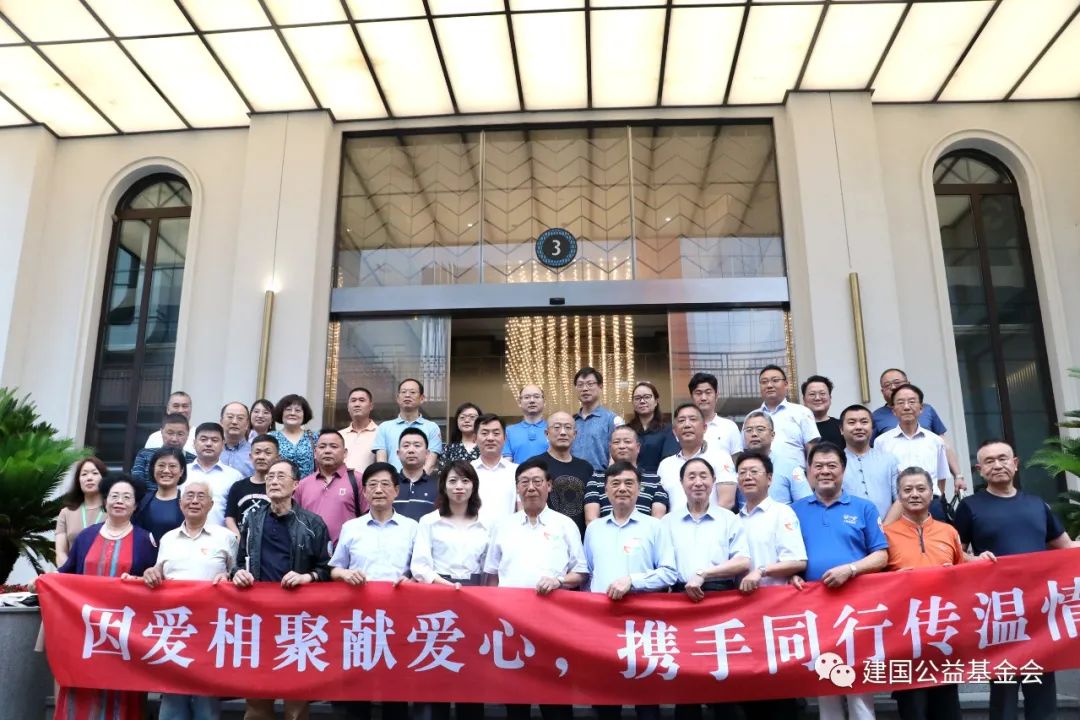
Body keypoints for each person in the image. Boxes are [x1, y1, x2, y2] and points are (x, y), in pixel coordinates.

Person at [954, 439, 1078, 720]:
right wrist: (975, 559)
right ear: (980, 470)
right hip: (1000, 613)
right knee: (1004, 690)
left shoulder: (1037, 504)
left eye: (1003, 458)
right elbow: (955, 553)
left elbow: (1067, 549)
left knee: (1042, 687)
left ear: (1016, 463)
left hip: (1039, 611)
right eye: (989, 461)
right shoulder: (970, 507)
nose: (997, 465)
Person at [885, 467, 992, 720]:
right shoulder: (885, 535)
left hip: (943, 630)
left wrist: (980, 560)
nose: (914, 494)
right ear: (899, 496)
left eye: (920, 489)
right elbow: (875, 579)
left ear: (931, 492)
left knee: (947, 705)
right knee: (913, 707)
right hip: (905, 633)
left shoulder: (948, 531)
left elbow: (961, 568)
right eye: (907, 490)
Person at [484, 458, 587, 720]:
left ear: (549, 486)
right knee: (516, 701)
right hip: (512, 625)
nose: (531, 487)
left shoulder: (565, 524)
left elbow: (581, 573)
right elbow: (492, 575)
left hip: (554, 624)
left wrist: (559, 580)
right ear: (517, 487)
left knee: (555, 700)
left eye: (537, 481)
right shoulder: (503, 526)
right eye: (524, 482)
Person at [792, 442, 888, 720]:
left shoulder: (864, 508)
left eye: (832, 466)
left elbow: (881, 555)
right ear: (809, 472)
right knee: (825, 682)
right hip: (814, 610)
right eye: (818, 466)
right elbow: (787, 555)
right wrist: (792, 574)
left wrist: (851, 569)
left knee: (857, 682)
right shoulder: (794, 511)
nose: (825, 471)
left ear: (843, 471)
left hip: (855, 609)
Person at [232, 458, 331, 720]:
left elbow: (327, 569)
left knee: (295, 702)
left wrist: (307, 577)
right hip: (258, 618)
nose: (273, 481)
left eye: (280, 476)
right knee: (256, 698)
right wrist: (238, 573)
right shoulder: (252, 520)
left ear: (296, 484)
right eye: (270, 477)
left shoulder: (313, 523)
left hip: (297, 621)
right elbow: (239, 562)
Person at [52, 474, 158, 720]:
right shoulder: (86, 536)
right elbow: (67, 573)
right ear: (105, 501)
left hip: (126, 633)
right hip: (85, 629)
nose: (120, 501)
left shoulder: (145, 540)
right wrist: (43, 582)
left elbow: (153, 581)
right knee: (82, 685)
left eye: (127, 497)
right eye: (114, 496)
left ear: (135, 505)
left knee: (121, 688)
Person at [585, 461, 676, 720]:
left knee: (646, 699)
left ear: (639, 489)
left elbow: (669, 573)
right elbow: (589, 573)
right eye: (615, 483)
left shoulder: (655, 526)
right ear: (606, 490)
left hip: (642, 624)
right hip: (603, 624)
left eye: (629, 483)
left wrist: (633, 581)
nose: (622, 488)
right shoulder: (594, 529)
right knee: (606, 699)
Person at [142, 478, 237, 720]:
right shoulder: (168, 539)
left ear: (211, 504)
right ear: (180, 503)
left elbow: (237, 575)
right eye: (189, 496)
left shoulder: (226, 537)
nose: (194, 501)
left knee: (206, 704)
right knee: (172, 702)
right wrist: (151, 573)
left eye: (201, 496)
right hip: (175, 630)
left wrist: (228, 578)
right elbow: (158, 574)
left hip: (210, 630)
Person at [330, 461, 417, 720]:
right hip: (359, 620)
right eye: (372, 485)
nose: (379, 490)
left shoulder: (412, 527)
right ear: (364, 492)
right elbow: (333, 568)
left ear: (396, 491)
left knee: (395, 692)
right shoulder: (351, 527)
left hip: (398, 619)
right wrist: (345, 574)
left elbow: (420, 570)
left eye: (385, 484)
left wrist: (411, 581)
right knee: (358, 692)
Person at [733, 450, 807, 720]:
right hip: (742, 614)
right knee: (748, 689)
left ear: (770, 478)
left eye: (754, 472)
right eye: (742, 473)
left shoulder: (782, 513)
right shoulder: (733, 519)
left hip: (776, 612)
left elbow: (797, 560)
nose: (748, 477)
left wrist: (761, 571)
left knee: (780, 688)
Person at [663, 458, 750, 600]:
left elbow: (743, 561)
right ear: (681, 482)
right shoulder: (667, 522)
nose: (698, 483)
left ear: (713, 480)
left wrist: (704, 574)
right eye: (691, 477)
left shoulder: (729, 519)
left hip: (721, 596)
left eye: (703, 476)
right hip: (680, 597)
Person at [872, 368, 964, 484]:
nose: (893, 387)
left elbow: (944, 444)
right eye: (887, 385)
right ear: (882, 391)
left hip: (929, 487)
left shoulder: (927, 410)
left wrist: (958, 475)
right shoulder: (876, 417)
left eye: (897, 383)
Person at [656, 403, 737, 512]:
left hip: (713, 522)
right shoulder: (665, 465)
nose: (687, 425)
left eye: (693, 419)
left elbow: (727, 501)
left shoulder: (721, 457)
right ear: (674, 432)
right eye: (681, 421)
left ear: (704, 428)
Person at [293, 429, 366, 546]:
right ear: (315, 453)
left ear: (345, 453)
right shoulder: (303, 485)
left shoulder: (358, 480)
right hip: (310, 551)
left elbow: (368, 518)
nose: (327, 451)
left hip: (348, 551)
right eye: (322, 447)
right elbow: (295, 521)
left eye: (334, 446)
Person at [527, 410, 594, 537]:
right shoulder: (534, 465)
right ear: (546, 433)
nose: (563, 432)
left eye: (568, 428)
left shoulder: (586, 467)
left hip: (579, 538)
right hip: (545, 537)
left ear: (575, 434)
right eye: (557, 427)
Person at [584, 426, 668, 523]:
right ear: (610, 448)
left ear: (638, 447)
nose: (622, 446)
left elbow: (657, 521)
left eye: (627, 442)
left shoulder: (654, 480)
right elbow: (591, 520)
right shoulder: (596, 479)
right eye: (616, 442)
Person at [840, 404, 901, 522]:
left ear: (872, 428)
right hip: (847, 529)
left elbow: (900, 499)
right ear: (841, 429)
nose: (858, 427)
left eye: (864, 422)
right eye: (852, 422)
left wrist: (884, 528)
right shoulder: (834, 463)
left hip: (887, 528)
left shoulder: (889, 460)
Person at [741, 410, 812, 504]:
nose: (754, 434)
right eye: (749, 430)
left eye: (760, 429)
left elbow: (806, 504)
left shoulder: (790, 466)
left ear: (772, 435)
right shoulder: (739, 469)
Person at [373, 378, 443, 473]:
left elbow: (430, 464)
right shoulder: (384, 427)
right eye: (403, 392)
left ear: (422, 398)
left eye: (412, 392)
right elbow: (381, 462)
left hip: (421, 481)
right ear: (398, 398)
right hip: (392, 481)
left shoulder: (432, 428)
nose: (407, 395)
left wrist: (418, 479)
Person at [757, 364, 819, 468]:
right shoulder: (752, 417)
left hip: (796, 475)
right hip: (761, 475)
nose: (769, 385)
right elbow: (746, 450)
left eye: (775, 380)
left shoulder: (802, 412)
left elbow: (812, 449)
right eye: (764, 382)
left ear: (786, 384)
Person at [54, 457, 108, 567]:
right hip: (71, 573)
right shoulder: (66, 513)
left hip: (103, 573)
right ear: (78, 481)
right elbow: (60, 552)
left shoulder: (112, 511)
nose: (89, 478)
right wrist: (68, 571)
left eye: (95, 473)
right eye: (84, 474)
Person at [187, 422, 242, 527]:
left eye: (214, 440)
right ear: (194, 443)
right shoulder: (182, 472)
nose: (209, 444)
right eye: (203, 439)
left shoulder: (234, 476)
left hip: (222, 535)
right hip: (185, 535)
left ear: (223, 444)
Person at [571, 367, 623, 472]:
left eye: (590, 384)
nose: (585, 389)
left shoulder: (612, 419)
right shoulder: (571, 421)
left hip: (600, 476)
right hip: (572, 476)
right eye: (580, 385)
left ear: (600, 386)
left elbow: (619, 452)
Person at [471, 413, 519, 528]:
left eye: (496, 433)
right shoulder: (466, 472)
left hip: (507, 535)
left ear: (505, 438)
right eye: (484, 433)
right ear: (475, 438)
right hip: (473, 536)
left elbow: (522, 510)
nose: (490, 438)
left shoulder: (517, 471)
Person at [225, 434, 277, 535]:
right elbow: (229, 517)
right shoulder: (238, 486)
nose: (261, 457)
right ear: (250, 457)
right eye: (257, 452)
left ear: (278, 458)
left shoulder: (279, 487)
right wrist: (239, 539)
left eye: (268, 453)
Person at [133, 446, 187, 543]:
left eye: (172, 466)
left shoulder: (188, 502)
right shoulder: (142, 501)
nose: (166, 470)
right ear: (153, 469)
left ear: (181, 471)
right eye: (161, 465)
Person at [626, 380, 679, 474]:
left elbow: (670, 460)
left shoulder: (668, 430)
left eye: (647, 397)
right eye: (637, 398)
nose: (642, 401)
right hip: (630, 478)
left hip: (658, 478)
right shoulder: (627, 430)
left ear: (656, 401)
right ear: (633, 403)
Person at [132, 413, 195, 490]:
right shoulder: (144, 455)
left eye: (180, 434)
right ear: (161, 432)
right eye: (170, 433)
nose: (174, 439)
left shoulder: (193, 461)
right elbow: (136, 483)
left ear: (188, 435)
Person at [688, 372, 742, 457]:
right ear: (691, 397)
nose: (703, 398)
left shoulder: (729, 427)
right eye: (698, 393)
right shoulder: (686, 427)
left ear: (716, 396)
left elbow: (737, 459)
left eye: (708, 392)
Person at [269, 393, 318, 478]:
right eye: (288, 409)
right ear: (281, 413)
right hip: (279, 484)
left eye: (297, 410)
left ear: (304, 414)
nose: (292, 413)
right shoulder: (271, 437)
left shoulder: (314, 437)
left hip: (308, 485)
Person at [395, 427, 438, 520]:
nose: (411, 450)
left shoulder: (438, 486)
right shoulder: (389, 484)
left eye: (417, 445)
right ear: (398, 453)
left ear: (427, 453)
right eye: (406, 446)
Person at [504, 384, 549, 463]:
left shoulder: (553, 429)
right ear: (519, 402)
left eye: (536, 397)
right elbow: (507, 462)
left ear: (544, 402)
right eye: (527, 397)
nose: (532, 400)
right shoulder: (509, 431)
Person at [340, 386, 378, 476]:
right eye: (353, 400)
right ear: (348, 407)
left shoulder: (380, 433)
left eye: (362, 400)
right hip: (341, 483)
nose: (357, 404)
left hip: (368, 483)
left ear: (371, 406)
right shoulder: (339, 435)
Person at [438, 402, 482, 471]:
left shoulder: (486, 447)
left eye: (472, 417)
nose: (467, 420)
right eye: (462, 417)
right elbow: (443, 474)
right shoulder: (448, 449)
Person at [801, 374, 843, 447]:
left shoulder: (841, 426)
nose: (817, 398)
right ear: (804, 400)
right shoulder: (797, 427)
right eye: (812, 394)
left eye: (822, 393)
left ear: (830, 398)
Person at [219, 401, 253, 477]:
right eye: (230, 417)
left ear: (247, 424)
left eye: (240, 418)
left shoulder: (254, 453)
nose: (234, 422)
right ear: (221, 422)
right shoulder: (211, 450)